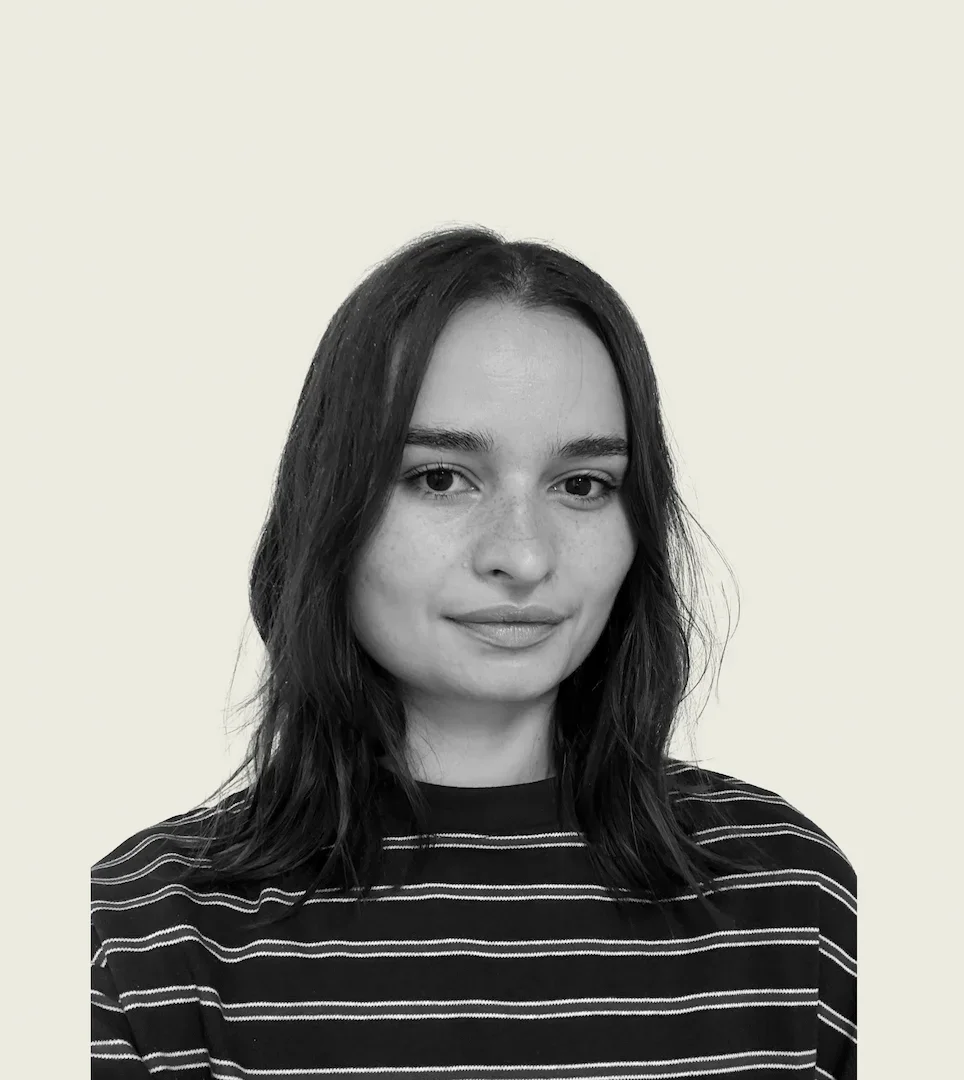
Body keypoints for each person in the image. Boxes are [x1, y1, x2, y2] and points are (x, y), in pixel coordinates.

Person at [91, 226, 856, 1078]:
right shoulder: (144, 936)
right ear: (328, 502)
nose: (522, 557)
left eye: (582, 485)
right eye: (441, 478)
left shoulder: (795, 899)